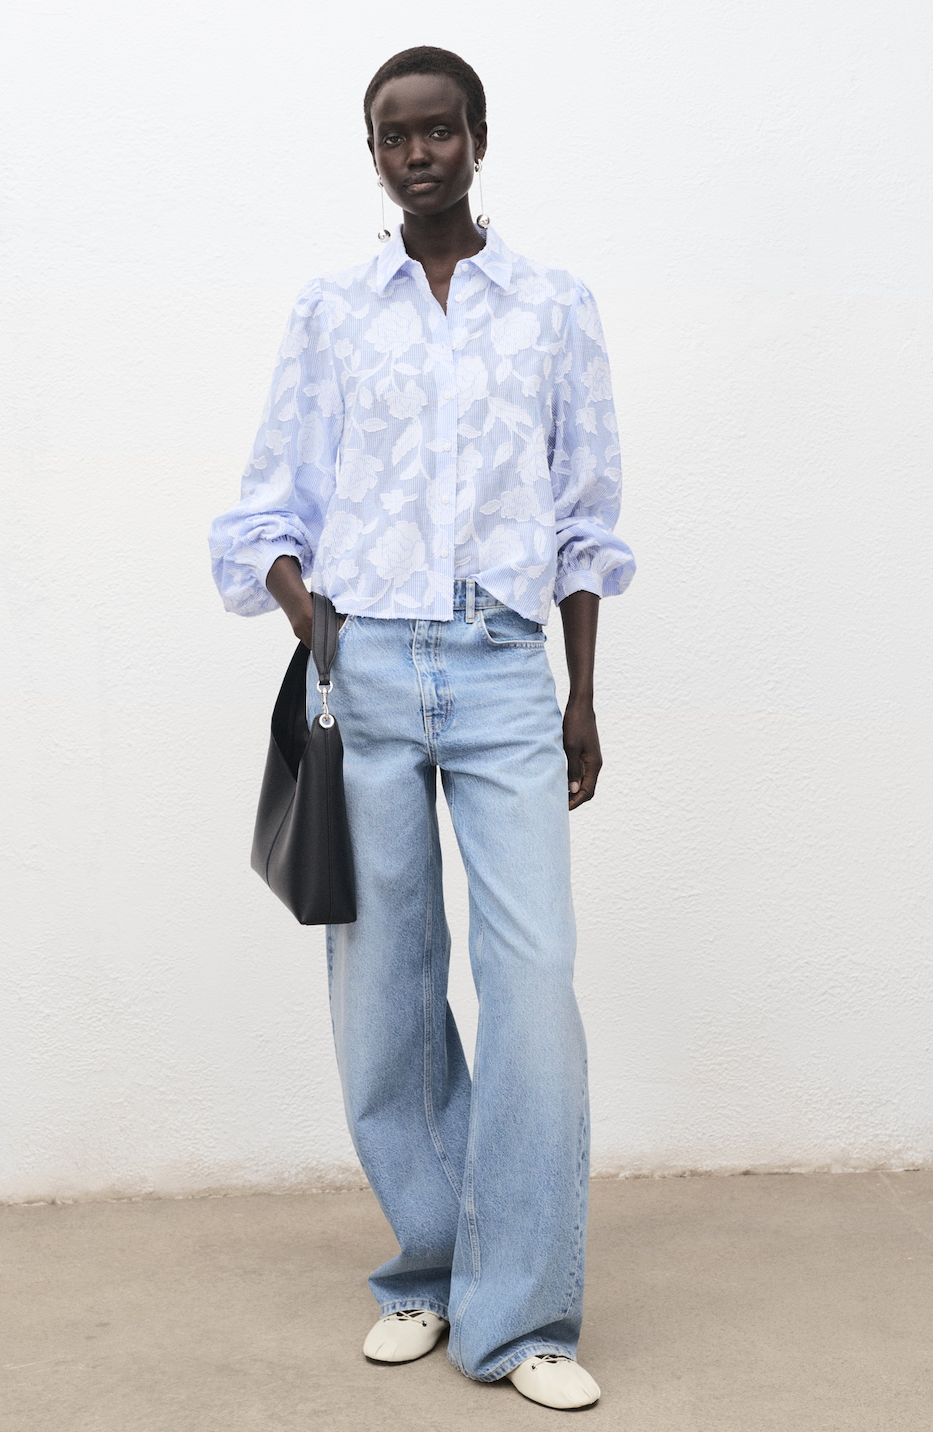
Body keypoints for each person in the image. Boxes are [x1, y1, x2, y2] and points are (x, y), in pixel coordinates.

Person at [209, 46, 635, 1412]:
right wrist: (311, 622)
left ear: (481, 136)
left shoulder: (555, 309)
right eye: (395, 135)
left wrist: (580, 695)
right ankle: (429, 1271)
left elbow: (586, 523)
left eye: (441, 129)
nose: (420, 153)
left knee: (533, 995)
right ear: (373, 152)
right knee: (384, 999)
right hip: (369, 675)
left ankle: (526, 1317)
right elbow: (267, 507)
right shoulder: (334, 311)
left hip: (509, 668)